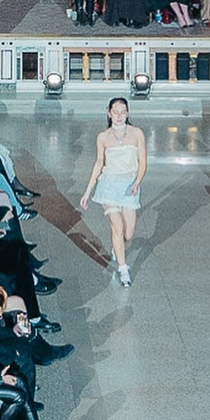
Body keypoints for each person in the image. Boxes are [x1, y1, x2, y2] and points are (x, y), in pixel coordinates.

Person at [80, 98, 146, 286]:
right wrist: (87, 191)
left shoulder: (137, 133)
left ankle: (118, 248)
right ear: (109, 113)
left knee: (128, 233)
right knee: (117, 226)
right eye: (115, 112)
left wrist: (137, 182)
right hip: (108, 185)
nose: (119, 116)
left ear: (127, 113)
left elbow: (143, 162)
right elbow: (99, 163)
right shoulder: (103, 137)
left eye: (123, 112)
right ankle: (123, 269)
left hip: (129, 185)